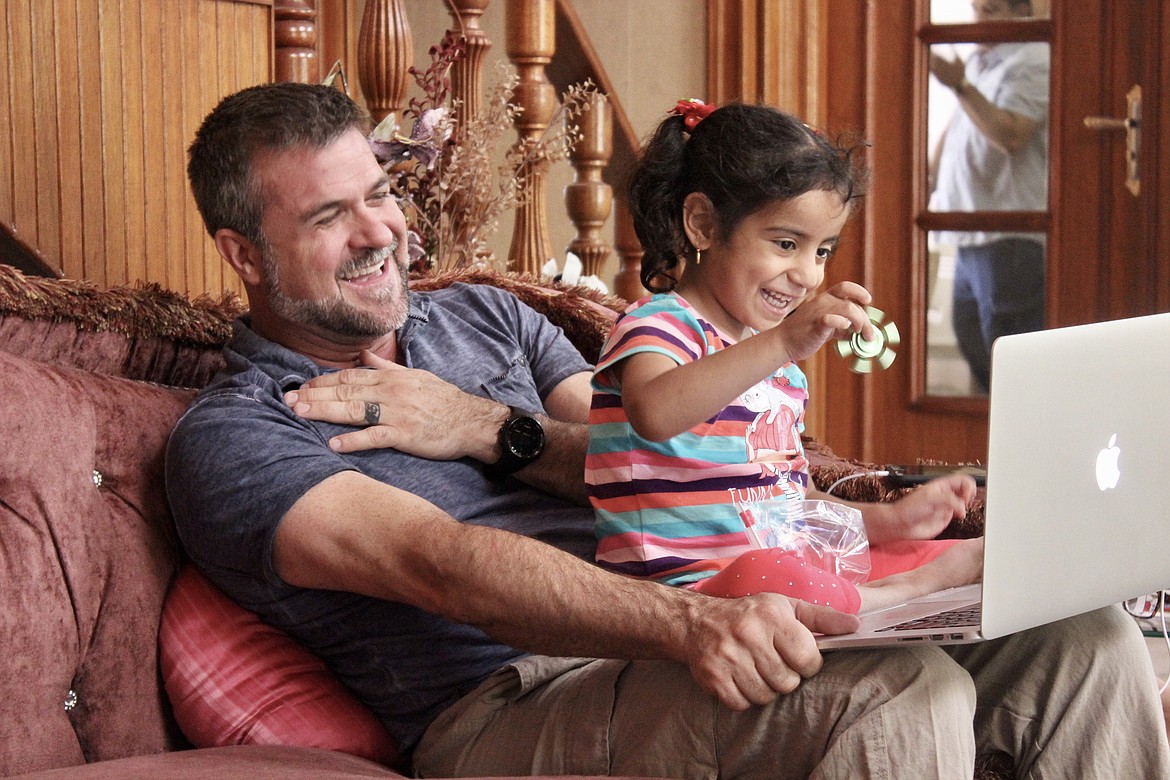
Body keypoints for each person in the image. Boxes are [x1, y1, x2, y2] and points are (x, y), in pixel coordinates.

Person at [167, 81, 1170, 778]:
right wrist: (695, 626)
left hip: (672, 612)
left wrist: (486, 426)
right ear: (243, 252)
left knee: (1080, 638)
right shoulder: (236, 435)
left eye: (380, 191)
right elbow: (445, 565)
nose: (379, 230)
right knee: (899, 691)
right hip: (510, 699)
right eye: (329, 216)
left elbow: (652, 462)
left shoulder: (488, 317)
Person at [587, 101, 980, 615]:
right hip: (690, 598)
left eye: (822, 251)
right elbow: (655, 413)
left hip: (787, 572)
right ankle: (900, 598)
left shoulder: (779, 368)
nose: (808, 275)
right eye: (787, 243)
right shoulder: (658, 325)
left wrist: (894, 522)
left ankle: (887, 594)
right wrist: (779, 345)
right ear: (703, 224)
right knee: (768, 575)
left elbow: (790, 505)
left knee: (974, 554)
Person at [928, 0, 1049, 393]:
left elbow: (1011, 134)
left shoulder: (1034, 59)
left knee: (1010, 358)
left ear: (1022, 14)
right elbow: (961, 129)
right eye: (977, 8)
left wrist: (959, 85)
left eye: (992, 9)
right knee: (974, 344)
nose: (979, 20)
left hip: (1009, 234)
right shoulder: (983, 62)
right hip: (968, 228)